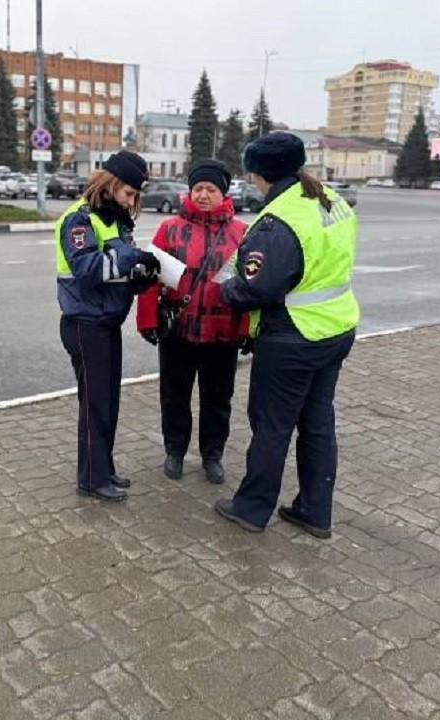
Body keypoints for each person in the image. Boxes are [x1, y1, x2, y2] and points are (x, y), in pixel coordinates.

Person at [214, 132, 359, 539]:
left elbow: (257, 289)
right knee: (317, 422)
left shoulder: (277, 222)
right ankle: (315, 511)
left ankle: (251, 507)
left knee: (272, 425)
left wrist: (225, 286)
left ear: (257, 172)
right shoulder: (331, 199)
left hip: (292, 336)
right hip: (336, 329)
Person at [135, 159, 249, 485]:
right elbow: (150, 276)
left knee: (217, 400)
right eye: (197, 188)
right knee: (174, 396)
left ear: (222, 193)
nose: (202, 194)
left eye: (210, 189)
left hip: (222, 333)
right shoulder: (169, 229)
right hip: (178, 331)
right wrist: (147, 321)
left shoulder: (241, 234)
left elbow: (250, 285)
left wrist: (246, 330)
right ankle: (175, 451)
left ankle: (212, 455)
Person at [56, 150, 160, 502]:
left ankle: (104, 466)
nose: (131, 201)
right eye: (128, 193)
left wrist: (141, 276)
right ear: (110, 183)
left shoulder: (113, 220)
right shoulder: (79, 220)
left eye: (135, 196)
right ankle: (91, 478)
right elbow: (87, 271)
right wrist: (130, 257)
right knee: (95, 403)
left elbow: (114, 272)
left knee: (109, 401)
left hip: (106, 321)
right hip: (86, 324)